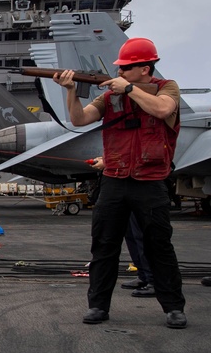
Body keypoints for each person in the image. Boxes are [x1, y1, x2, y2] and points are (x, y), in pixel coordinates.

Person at [53, 37, 187, 329]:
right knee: (103, 246)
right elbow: (79, 119)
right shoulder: (110, 96)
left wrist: (128, 89)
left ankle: (174, 307)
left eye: (127, 68)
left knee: (159, 246)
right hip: (114, 179)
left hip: (150, 180)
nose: (121, 72)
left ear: (145, 68)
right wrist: (71, 91)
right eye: (121, 68)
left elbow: (163, 110)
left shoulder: (167, 88)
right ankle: (98, 306)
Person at [90, 157, 155, 297]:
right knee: (131, 234)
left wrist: (108, 162)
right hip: (123, 187)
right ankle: (143, 275)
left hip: (140, 186)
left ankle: (153, 280)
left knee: (142, 235)